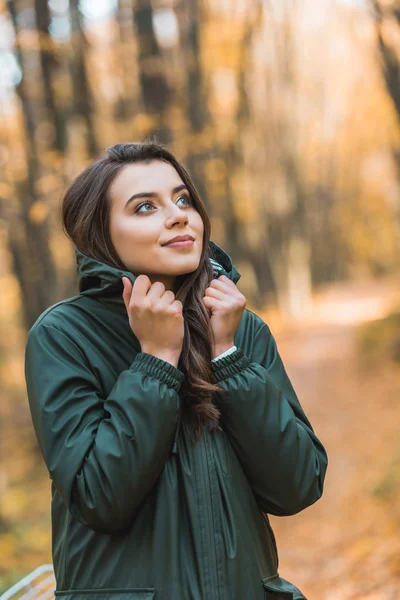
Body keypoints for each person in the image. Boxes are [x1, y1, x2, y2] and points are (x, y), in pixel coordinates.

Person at [24, 140, 328, 600]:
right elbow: (99, 497)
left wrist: (226, 355)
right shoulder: (65, 335)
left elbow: (299, 485)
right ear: (100, 234)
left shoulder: (242, 330)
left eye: (183, 199)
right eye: (144, 207)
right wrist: (155, 360)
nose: (178, 215)